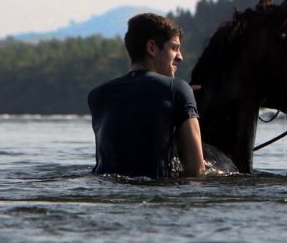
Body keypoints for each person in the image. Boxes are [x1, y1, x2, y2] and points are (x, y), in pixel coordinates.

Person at [87, 13, 204, 178]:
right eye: (174, 48)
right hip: (156, 190)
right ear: (151, 48)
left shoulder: (98, 95)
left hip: (109, 191)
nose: (180, 57)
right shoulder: (178, 89)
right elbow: (196, 169)